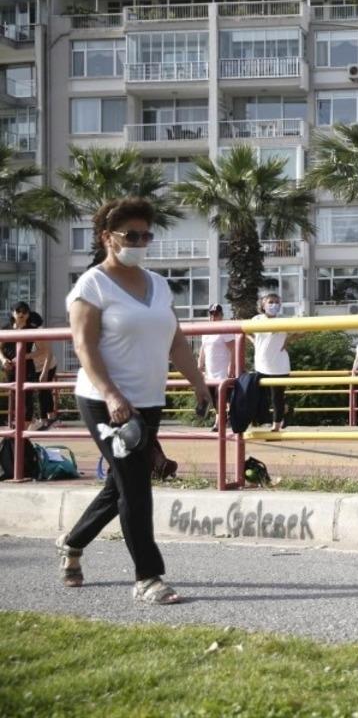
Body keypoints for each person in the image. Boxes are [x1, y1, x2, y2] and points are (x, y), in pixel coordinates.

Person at [55, 197, 210, 604]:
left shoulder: (157, 284)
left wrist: (199, 383)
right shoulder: (92, 284)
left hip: (148, 401)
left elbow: (176, 341)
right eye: (131, 235)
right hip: (105, 401)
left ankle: (72, 544)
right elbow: (84, 347)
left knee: (120, 486)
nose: (140, 241)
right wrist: (110, 395)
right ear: (108, 237)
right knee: (137, 488)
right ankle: (148, 576)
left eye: (146, 235)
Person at [252, 293, 290, 432]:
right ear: (263, 304)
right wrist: (255, 343)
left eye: (276, 302)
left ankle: (276, 426)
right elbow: (247, 333)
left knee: (277, 398)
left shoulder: (284, 320)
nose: (273, 305)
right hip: (261, 365)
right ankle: (284, 411)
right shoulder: (256, 319)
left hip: (279, 365)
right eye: (270, 302)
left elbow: (304, 330)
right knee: (260, 397)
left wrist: (288, 342)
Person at [196, 303, 236, 432]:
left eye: (217, 314)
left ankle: (219, 423)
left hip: (223, 371)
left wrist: (232, 366)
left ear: (221, 315)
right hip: (210, 371)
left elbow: (233, 349)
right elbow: (203, 349)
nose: (214, 317)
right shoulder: (206, 332)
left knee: (221, 398)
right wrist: (199, 365)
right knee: (213, 399)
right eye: (211, 314)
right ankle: (224, 419)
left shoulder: (225, 330)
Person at [1, 301, 39, 428]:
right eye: (18, 311)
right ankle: (14, 427)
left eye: (25, 311)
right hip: (10, 368)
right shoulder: (5, 328)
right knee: (13, 395)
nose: (22, 314)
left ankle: (24, 430)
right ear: (12, 313)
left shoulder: (33, 329)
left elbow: (43, 351)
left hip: (27, 367)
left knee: (27, 396)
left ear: (28, 314)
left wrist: (24, 356)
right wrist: (3, 360)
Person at [29, 324, 60, 431]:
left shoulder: (39, 332)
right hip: (35, 367)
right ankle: (45, 419)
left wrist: (44, 372)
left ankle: (47, 419)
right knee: (39, 392)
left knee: (44, 391)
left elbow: (49, 353)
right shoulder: (23, 332)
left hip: (48, 365)